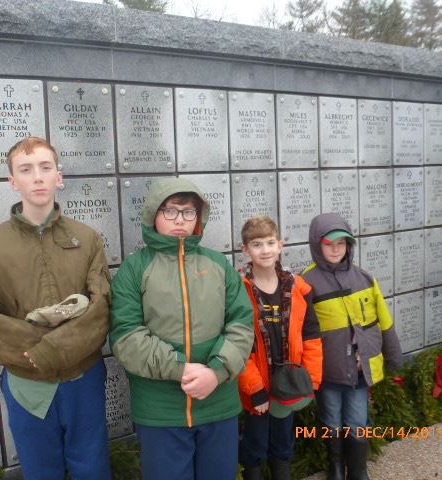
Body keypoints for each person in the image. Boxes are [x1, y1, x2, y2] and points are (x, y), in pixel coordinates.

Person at [0, 137, 112, 480]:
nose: (37, 177)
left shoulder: (88, 238)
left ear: (58, 177)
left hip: (83, 376)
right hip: (26, 379)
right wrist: (38, 352)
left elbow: (101, 305)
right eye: (26, 169)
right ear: (12, 181)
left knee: (92, 466)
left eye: (46, 168)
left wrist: (57, 349)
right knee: (39, 470)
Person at [109, 177, 254, 480]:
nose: (180, 220)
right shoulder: (134, 269)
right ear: (154, 215)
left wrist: (215, 371)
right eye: (170, 211)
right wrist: (181, 369)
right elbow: (126, 335)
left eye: (188, 212)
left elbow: (241, 323)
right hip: (161, 411)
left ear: (198, 218)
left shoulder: (218, 265)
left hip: (219, 405)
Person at [300, 213, 402, 480]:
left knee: (357, 420)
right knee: (331, 420)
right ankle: (335, 467)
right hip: (329, 372)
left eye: (342, 244)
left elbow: (384, 321)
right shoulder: (307, 283)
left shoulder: (365, 279)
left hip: (359, 371)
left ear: (349, 246)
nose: (336, 249)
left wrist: (393, 358)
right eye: (329, 244)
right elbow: (302, 333)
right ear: (316, 245)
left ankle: (358, 469)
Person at [237, 215, 322, 480]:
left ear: (281, 245)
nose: (265, 250)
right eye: (257, 244)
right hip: (258, 389)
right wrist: (255, 390)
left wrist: (311, 381)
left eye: (270, 242)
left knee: (283, 443)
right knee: (255, 445)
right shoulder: (239, 290)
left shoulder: (298, 288)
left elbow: (311, 338)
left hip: (289, 384)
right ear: (245, 250)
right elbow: (239, 345)